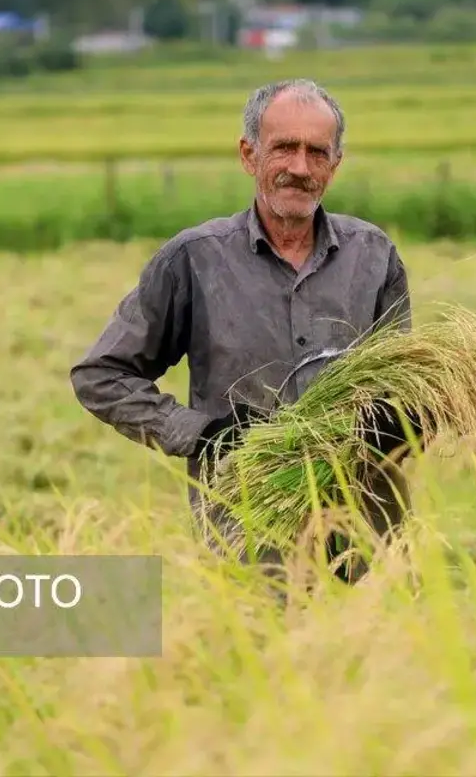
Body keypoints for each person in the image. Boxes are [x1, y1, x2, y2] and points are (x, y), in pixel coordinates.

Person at [69, 79, 418, 583]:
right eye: (284, 148)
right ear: (249, 155)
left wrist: (399, 423)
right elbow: (101, 375)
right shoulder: (195, 260)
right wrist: (202, 434)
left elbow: (405, 384)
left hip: (368, 538)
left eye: (317, 153)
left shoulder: (374, 255)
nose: (301, 168)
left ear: (335, 164)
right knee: (259, 634)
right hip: (248, 534)